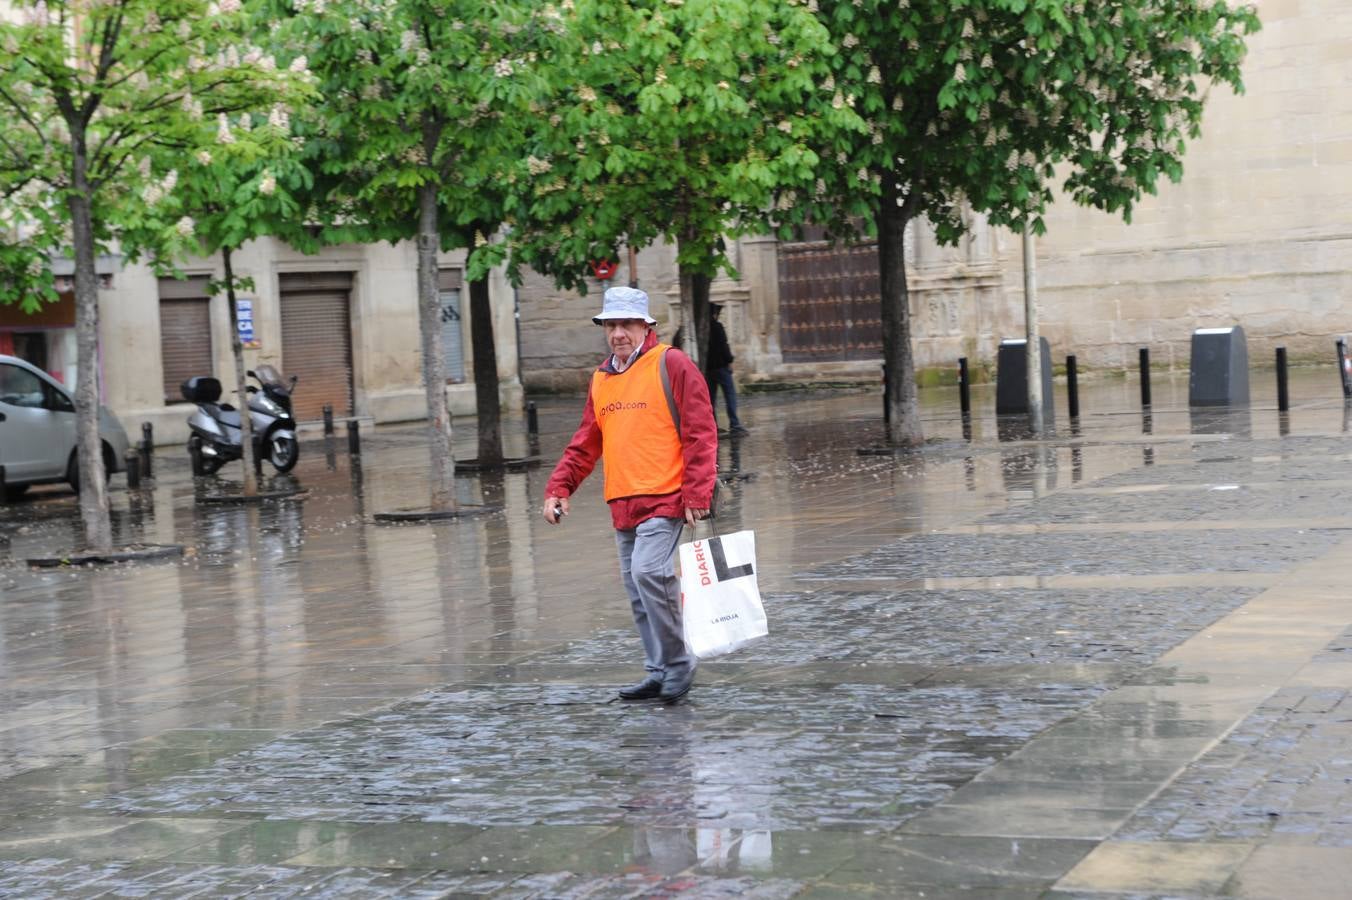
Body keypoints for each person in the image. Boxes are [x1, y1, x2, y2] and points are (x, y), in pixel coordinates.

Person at [542, 286, 718, 703]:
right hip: (622, 500)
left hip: (665, 495)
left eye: (626, 324)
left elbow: (701, 430)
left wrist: (697, 492)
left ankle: (678, 664)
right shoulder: (602, 378)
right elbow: (586, 441)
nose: (618, 333)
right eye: (611, 325)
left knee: (649, 573)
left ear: (645, 326)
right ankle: (657, 669)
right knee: (639, 591)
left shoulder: (670, 363)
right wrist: (559, 487)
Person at [706, 304, 747, 435]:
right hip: (721, 367)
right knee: (730, 395)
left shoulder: (702, 328)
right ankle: (734, 424)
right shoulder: (717, 327)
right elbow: (724, 346)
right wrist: (729, 360)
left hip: (708, 369)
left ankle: (714, 426)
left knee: (711, 399)